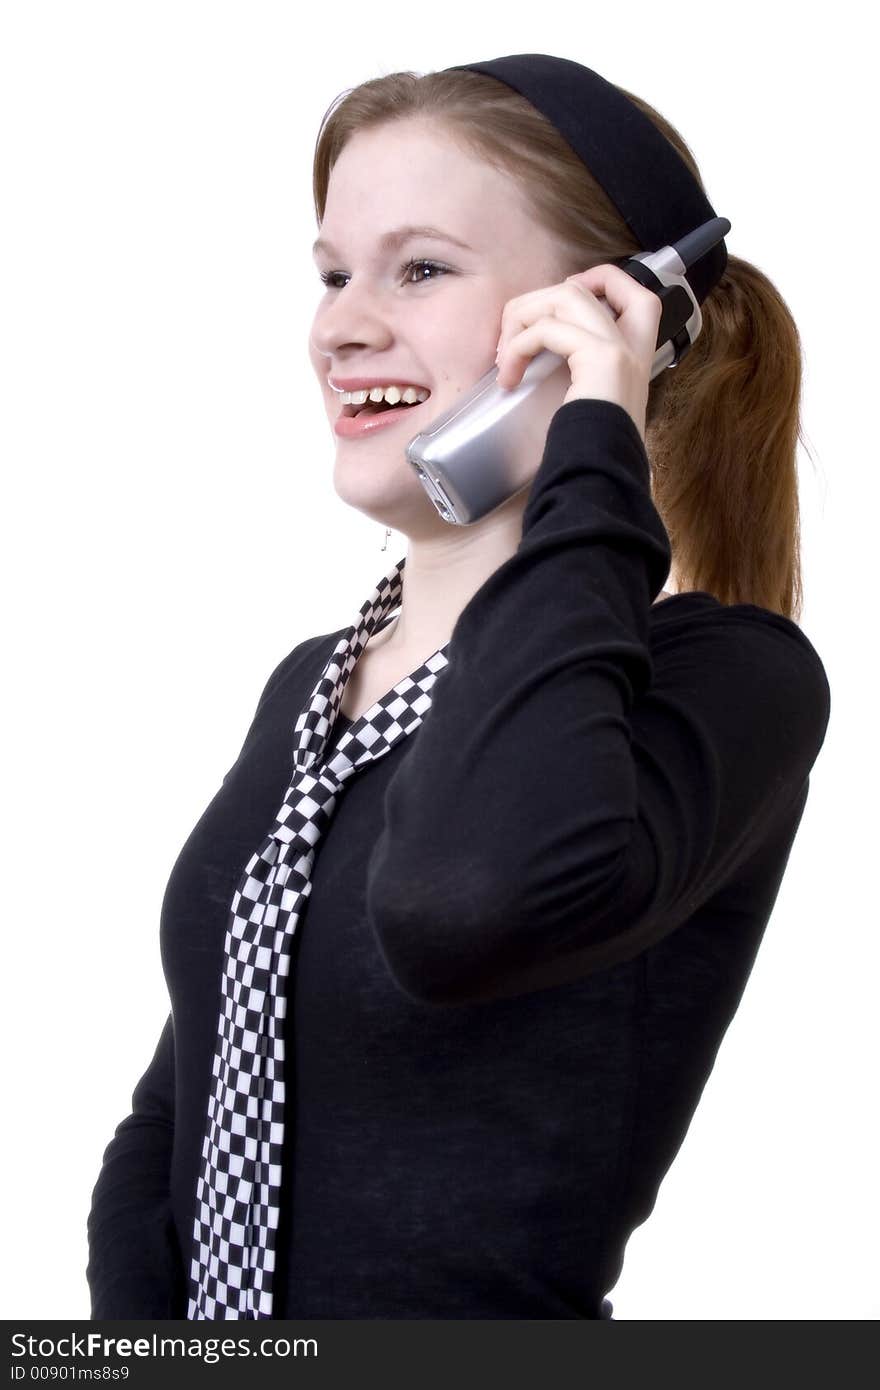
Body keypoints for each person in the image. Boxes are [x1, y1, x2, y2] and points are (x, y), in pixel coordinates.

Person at [86, 55, 831, 1321]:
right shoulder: (307, 692)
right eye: (332, 274)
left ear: (615, 311)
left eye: (419, 269)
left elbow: (465, 899)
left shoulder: (727, 680)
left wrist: (597, 441)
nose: (340, 326)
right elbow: (185, 1098)